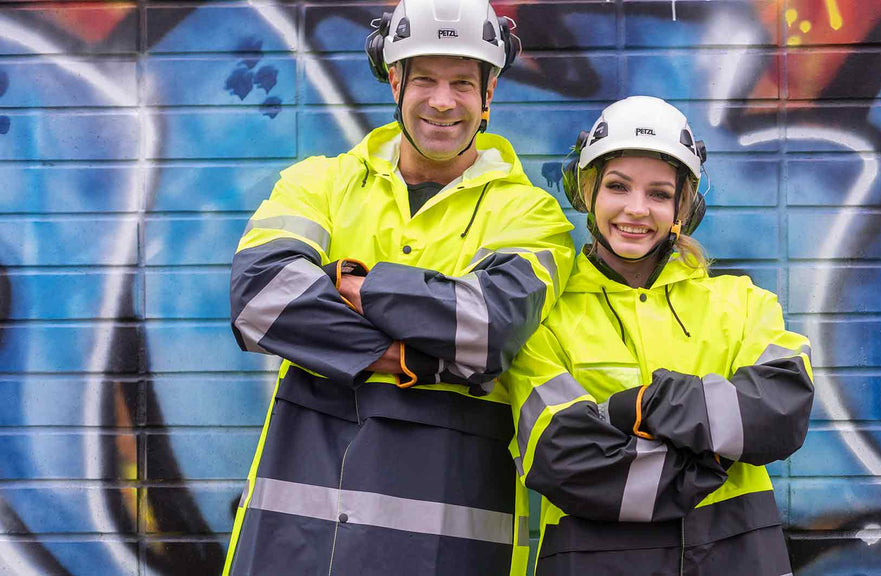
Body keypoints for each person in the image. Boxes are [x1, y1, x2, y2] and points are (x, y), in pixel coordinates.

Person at [222, 1, 575, 574]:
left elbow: (486, 331)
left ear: (490, 93)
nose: (443, 101)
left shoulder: (532, 216)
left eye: (463, 82)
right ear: (394, 81)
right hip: (298, 546)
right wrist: (417, 357)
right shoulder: (319, 183)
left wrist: (353, 285)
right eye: (425, 79)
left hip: (449, 545)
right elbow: (261, 302)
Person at [502, 96, 814, 575]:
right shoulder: (546, 318)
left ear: (683, 208)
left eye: (660, 194)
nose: (636, 209)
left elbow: (780, 410)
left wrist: (645, 404)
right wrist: (710, 458)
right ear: (586, 192)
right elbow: (562, 457)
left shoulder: (743, 303)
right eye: (618, 186)